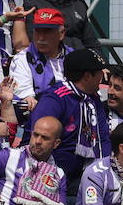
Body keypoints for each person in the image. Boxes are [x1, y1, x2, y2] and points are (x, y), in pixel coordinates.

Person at [28, 47, 111, 184]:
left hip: (86, 174)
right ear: (87, 76)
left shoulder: (93, 100)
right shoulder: (55, 99)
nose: (102, 78)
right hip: (51, 176)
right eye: (99, 73)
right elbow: (38, 142)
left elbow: (103, 139)